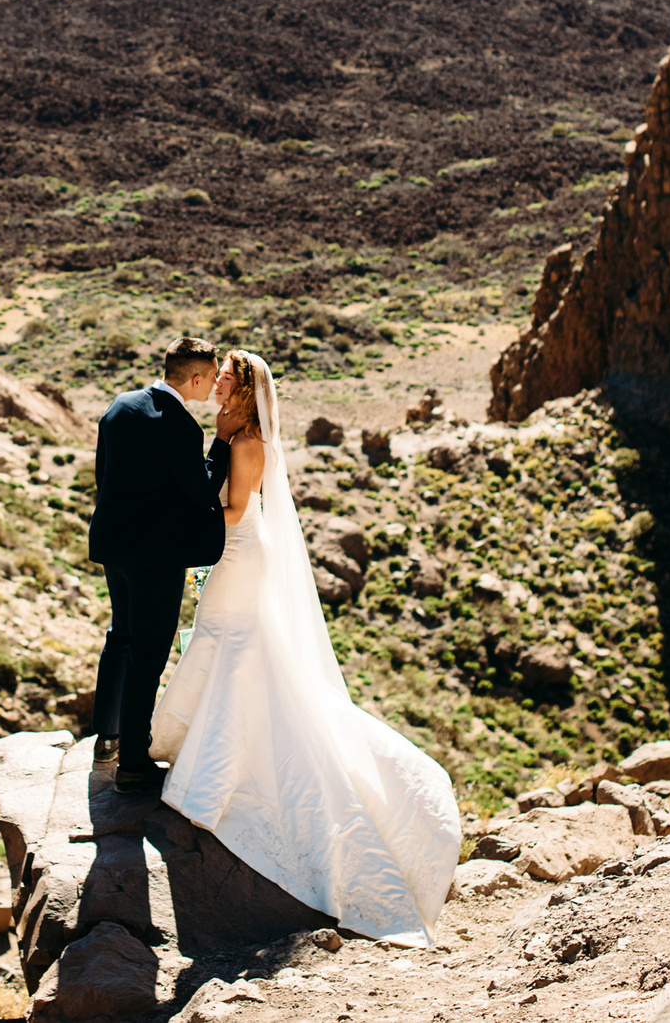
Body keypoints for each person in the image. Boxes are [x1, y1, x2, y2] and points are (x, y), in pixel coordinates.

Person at [149, 349, 459, 945]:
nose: (213, 383)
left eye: (224, 377)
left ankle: (220, 773)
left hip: (240, 550)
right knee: (224, 642)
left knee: (236, 644)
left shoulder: (249, 443)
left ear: (243, 389)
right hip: (227, 550)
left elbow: (236, 509)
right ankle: (202, 750)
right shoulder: (226, 428)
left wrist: (184, 498)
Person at [87, 335, 225, 795]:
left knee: (120, 638)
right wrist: (222, 444)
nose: (212, 388)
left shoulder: (120, 406)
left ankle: (105, 741)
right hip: (155, 557)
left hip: (114, 546)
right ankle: (132, 766)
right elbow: (202, 492)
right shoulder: (181, 428)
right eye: (211, 377)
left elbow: (103, 474)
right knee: (149, 654)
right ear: (196, 377)